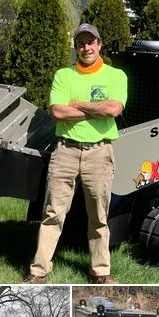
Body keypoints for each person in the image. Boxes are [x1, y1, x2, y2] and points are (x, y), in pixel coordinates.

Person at [23, 23, 127, 285]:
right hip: (65, 152)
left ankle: (100, 272)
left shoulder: (116, 76)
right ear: (76, 47)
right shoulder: (63, 75)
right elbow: (57, 112)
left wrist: (78, 104)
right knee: (52, 214)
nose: (86, 48)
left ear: (99, 44)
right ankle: (38, 271)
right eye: (81, 43)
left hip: (99, 153)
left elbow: (113, 109)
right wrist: (96, 109)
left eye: (90, 42)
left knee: (99, 216)